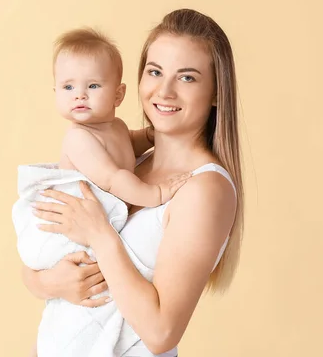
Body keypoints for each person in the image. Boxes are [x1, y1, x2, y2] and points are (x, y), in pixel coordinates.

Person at [24, 8, 244, 356]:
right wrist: (51, 282)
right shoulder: (128, 159)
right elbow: (40, 261)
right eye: (155, 72)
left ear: (217, 93)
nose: (165, 90)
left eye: (187, 78)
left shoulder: (205, 190)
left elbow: (161, 333)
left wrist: (99, 233)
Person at [12, 28, 191, 357]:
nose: (79, 95)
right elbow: (112, 178)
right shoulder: (78, 139)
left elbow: (131, 141)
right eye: (68, 87)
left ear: (118, 95)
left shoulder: (116, 127)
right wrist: (155, 194)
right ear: (55, 92)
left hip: (93, 226)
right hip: (72, 225)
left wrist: (152, 135)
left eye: (92, 86)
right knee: (81, 273)